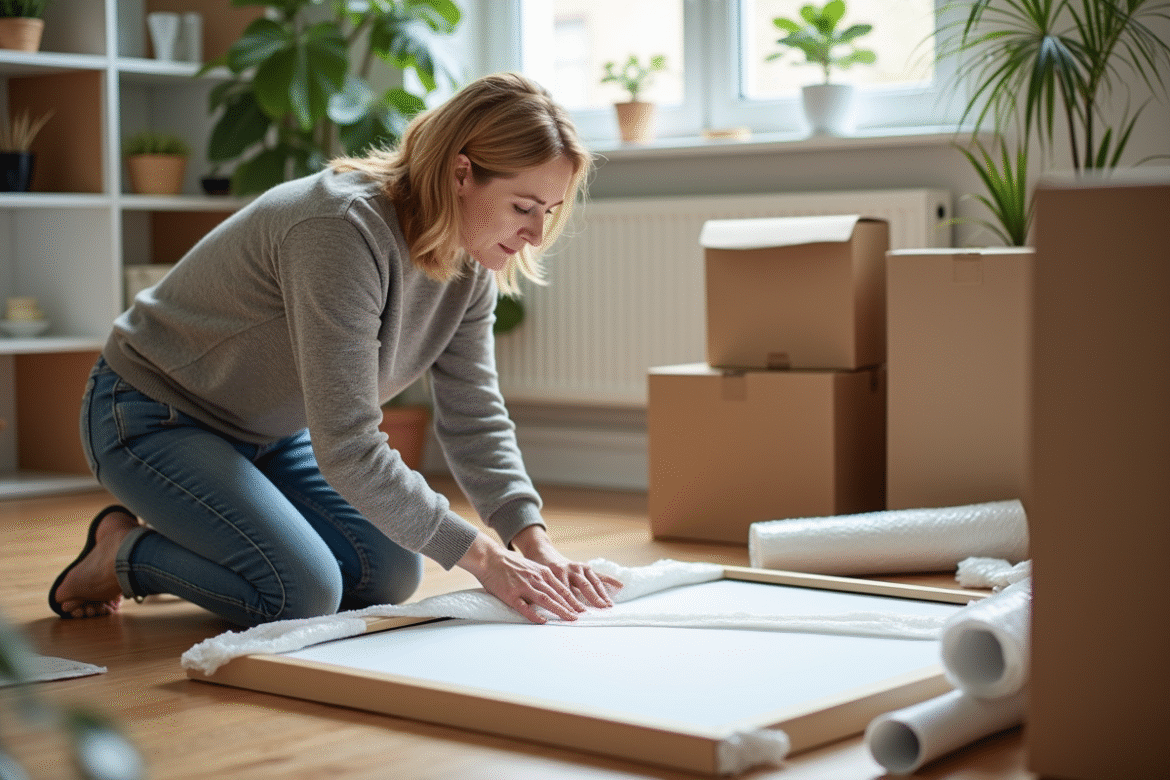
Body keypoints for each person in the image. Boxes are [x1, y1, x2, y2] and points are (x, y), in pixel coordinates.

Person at [50, 72, 621, 628]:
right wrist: (487, 559)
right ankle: (123, 553)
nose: (537, 235)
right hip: (151, 413)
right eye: (523, 208)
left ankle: (208, 531)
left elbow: (474, 416)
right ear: (461, 173)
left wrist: (534, 543)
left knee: (389, 573)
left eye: (549, 212)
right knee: (301, 592)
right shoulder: (340, 229)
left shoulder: (470, 263)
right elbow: (348, 445)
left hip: (269, 433)